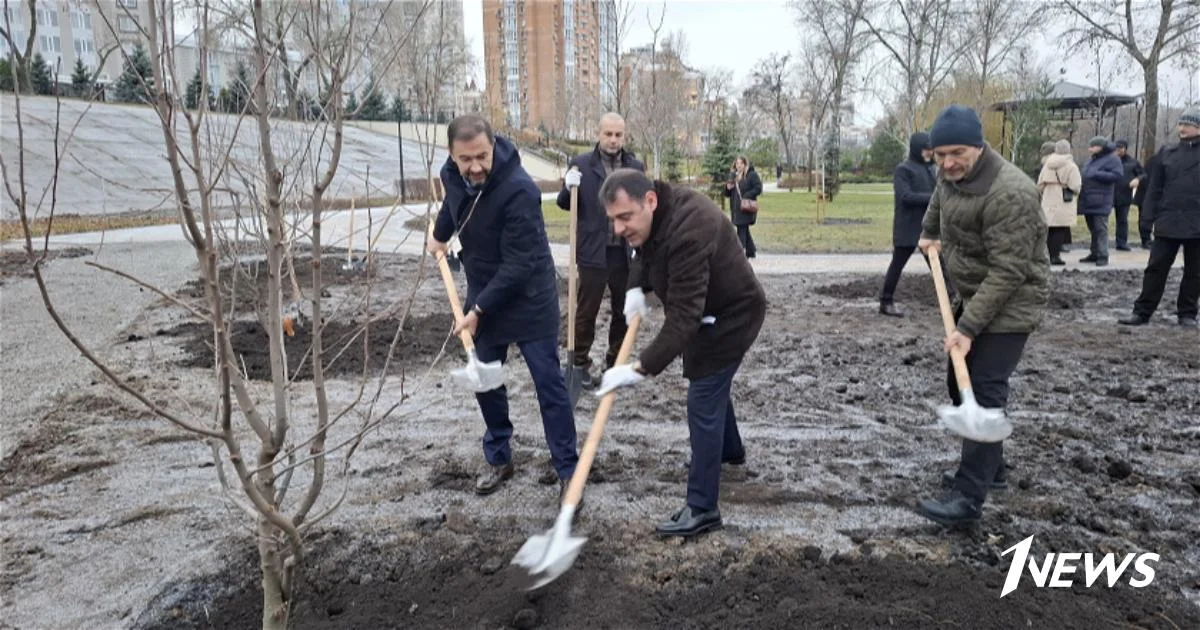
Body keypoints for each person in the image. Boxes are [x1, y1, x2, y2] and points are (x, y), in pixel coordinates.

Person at [594, 169, 767, 537]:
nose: (620, 228)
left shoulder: (692, 226)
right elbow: (644, 247)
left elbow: (684, 319)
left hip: (732, 314)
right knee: (711, 382)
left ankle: (703, 508)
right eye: (613, 220)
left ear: (650, 201)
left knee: (703, 395)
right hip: (708, 310)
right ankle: (730, 450)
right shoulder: (657, 213)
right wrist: (635, 289)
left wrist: (638, 369)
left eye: (625, 217)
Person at [427, 114, 580, 497]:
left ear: (493, 146)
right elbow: (454, 204)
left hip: (529, 296)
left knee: (549, 385)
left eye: (482, 156)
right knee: (485, 379)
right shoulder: (451, 172)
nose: (475, 166)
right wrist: (440, 235)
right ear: (452, 155)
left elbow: (519, 265)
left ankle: (568, 471)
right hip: (484, 288)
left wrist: (477, 311)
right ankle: (499, 457)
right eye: (466, 159)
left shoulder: (519, 191)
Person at [915, 105, 1049, 527]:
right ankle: (993, 470)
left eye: (957, 153)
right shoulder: (950, 175)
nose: (948, 162)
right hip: (973, 292)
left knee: (985, 389)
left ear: (978, 146)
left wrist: (968, 328)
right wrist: (929, 233)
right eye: (940, 155)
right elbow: (939, 203)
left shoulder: (1010, 192)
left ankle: (968, 497)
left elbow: (1010, 270)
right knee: (958, 379)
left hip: (1012, 299)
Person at [557, 113, 646, 387]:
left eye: (618, 135)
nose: (613, 140)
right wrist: (567, 186)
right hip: (593, 251)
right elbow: (564, 203)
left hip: (624, 252)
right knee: (586, 310)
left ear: (624, 136)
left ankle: (614, 363)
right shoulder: (582, 165)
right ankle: (579, 363)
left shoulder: (635, 166)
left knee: (622, 310)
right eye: (608, 134)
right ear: (599, 133)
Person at [1118, 109, 1200, 329]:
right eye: (1181, 124)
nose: (1182, 128)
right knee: (1155, 268)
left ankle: (1187, 314)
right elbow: (1154, 189)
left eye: (1188, 124)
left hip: (1197, 223)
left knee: (1195, 272)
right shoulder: (1167, 152)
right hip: (1168, 220)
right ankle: (1142, 312)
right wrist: (1148, 218)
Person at [879, 132, 937, 316]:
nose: (930, 153)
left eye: (931, 150)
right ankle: (886, 302)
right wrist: (935, 199)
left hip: (927, 228)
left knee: (940, 267)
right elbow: (906, 197)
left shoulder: (931, 170)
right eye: (927, 150)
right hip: (907, 227)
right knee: (897, 265)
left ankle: (953, 302)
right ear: (917, 149)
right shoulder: (903, 170)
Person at [1078, 136, 1123, 266]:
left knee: (1100, 229)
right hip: (1088, 198)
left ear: (1100, 147)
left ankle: (1103, 255)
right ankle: (1094, 253)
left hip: (1101, 200)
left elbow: (1117, 175)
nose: (1090, 149)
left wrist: (1097, 174)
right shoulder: (1092, 160)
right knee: (1093, 228)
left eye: (1092, 146)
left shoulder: (1112, 159)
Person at [1037, 139, 1082, 266]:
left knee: (1049, 229)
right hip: (1063, 199)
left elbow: (1040, 183)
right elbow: (1075, 186)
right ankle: (1055, 256)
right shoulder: (1071, 166)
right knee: (1060, 229)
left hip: (1049, 197)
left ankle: (1045, 255)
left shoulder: (1047, 164)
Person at [723, 156, 763, 258]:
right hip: (736, 208)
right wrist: (728, 188)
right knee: (744, 228)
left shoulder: (751, 175)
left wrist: (747, 195)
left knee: (741, 229)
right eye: (737, 163)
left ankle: (739, 254)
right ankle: (751, 251)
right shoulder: (734, 176)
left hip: (746, 207)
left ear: (745, 164)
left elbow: (758, 188)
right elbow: (728, 194)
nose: (738, 165)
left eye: (740, 163)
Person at [1113, 139, 1144, 252]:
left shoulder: (1133, 162)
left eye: (1120, 148)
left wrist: (1137, 179)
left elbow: (1142, 174)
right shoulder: (1110, 161)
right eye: (1116, 148)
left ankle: (1121, 243)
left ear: (1125, 149)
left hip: (1124, 194)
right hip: (1109, 194)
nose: (1118, 150)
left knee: (1122, 220)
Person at [1133, 150, 1158, 250]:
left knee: (1145, 218)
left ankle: (1146, 240)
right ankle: (1147, 240)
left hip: (1146, 194)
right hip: (1148, 194)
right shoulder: (1158, 161)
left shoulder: (1153, 160)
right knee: (1146, 219)